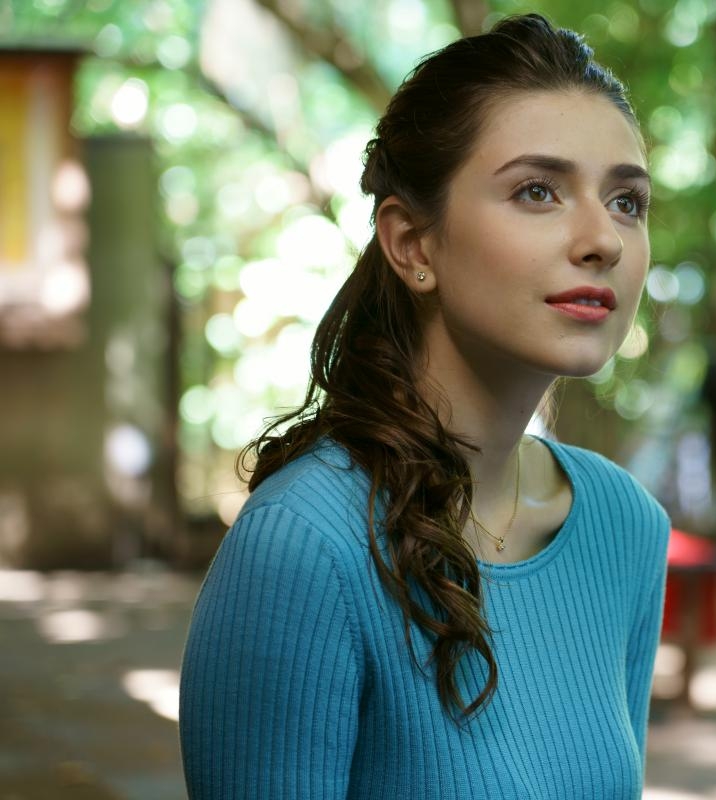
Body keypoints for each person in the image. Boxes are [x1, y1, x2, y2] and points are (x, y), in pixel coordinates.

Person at [178, 14, 670, 799]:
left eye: (627, 202)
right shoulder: (304, 544)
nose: (602, 239)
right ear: (412, 244)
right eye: (537, 191)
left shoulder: (625, 525)